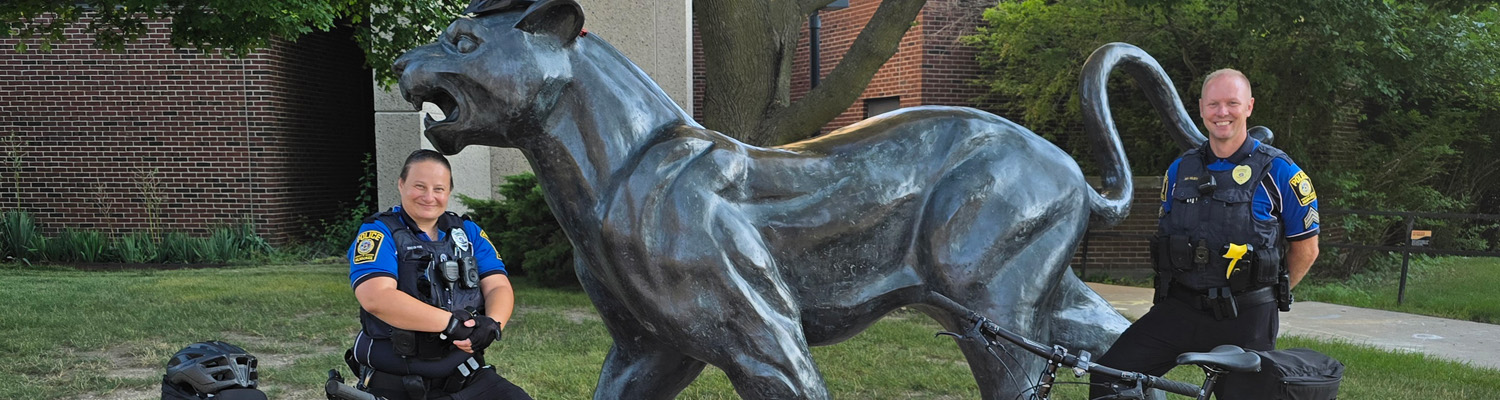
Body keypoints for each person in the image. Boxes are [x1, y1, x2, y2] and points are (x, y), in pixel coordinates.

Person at [1090, 69, 1320, 397]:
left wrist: (1266, 293)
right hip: (1180, 308)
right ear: (1200, 108)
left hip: (1246, 316)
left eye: (1232, 103)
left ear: (1249, 106)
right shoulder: (1180, 170)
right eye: (1213, 104)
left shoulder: (1281, 172)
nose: (1222, 112)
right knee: (1110, 376)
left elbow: (1307, 249)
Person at [345, 149, 532, 399]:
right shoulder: (378, 232)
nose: (429, 197)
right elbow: (376, 298)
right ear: (401, 185)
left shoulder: (469, 233)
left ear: (449, 192)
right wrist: (452, 324)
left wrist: (491, 324)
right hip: (399, 382)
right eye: (419, 186)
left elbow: (498, 284)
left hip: (466, 374)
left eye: (439, 189)